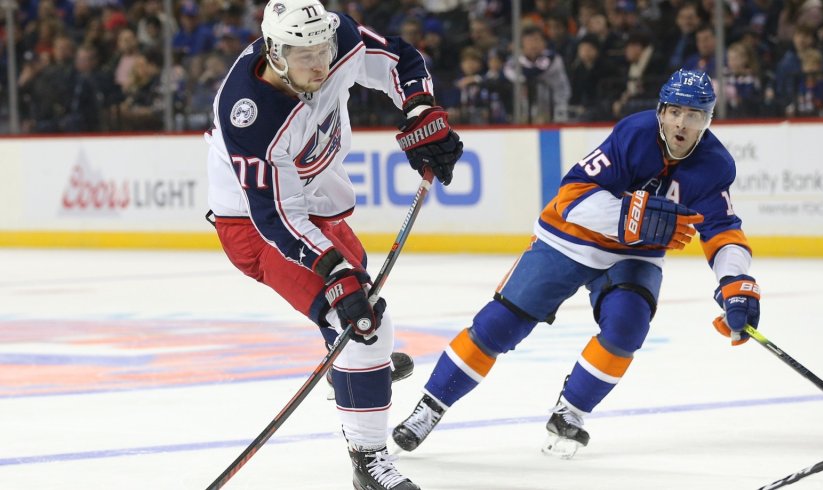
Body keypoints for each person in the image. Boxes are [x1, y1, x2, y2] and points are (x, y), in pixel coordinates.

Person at [392, 69, 760, 460]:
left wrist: (736, 283)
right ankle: (429, 407)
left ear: (709, 120)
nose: (682, 123)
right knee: (498, 326)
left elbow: (722, 230)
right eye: (674, 112)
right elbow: (571, 195)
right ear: (661, 112)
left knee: (627, 327)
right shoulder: (634, 135)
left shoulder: (715, 165)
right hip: (570, 237)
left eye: (694, 114)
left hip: (635, 254)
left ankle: (570, 412)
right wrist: (625, 216)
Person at [204, 0, 463, 488]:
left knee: (357, 307)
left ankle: (349, 372)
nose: (320, 62)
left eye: (323, 47)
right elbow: (275, 216)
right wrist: (333, 270)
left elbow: (398, 60)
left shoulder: (335, 38)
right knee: (363, 325)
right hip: (257, 227)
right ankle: (368, 461)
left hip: (319, 201)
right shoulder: (249, 114)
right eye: (305, 55)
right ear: (274, 52)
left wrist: (420, 107)